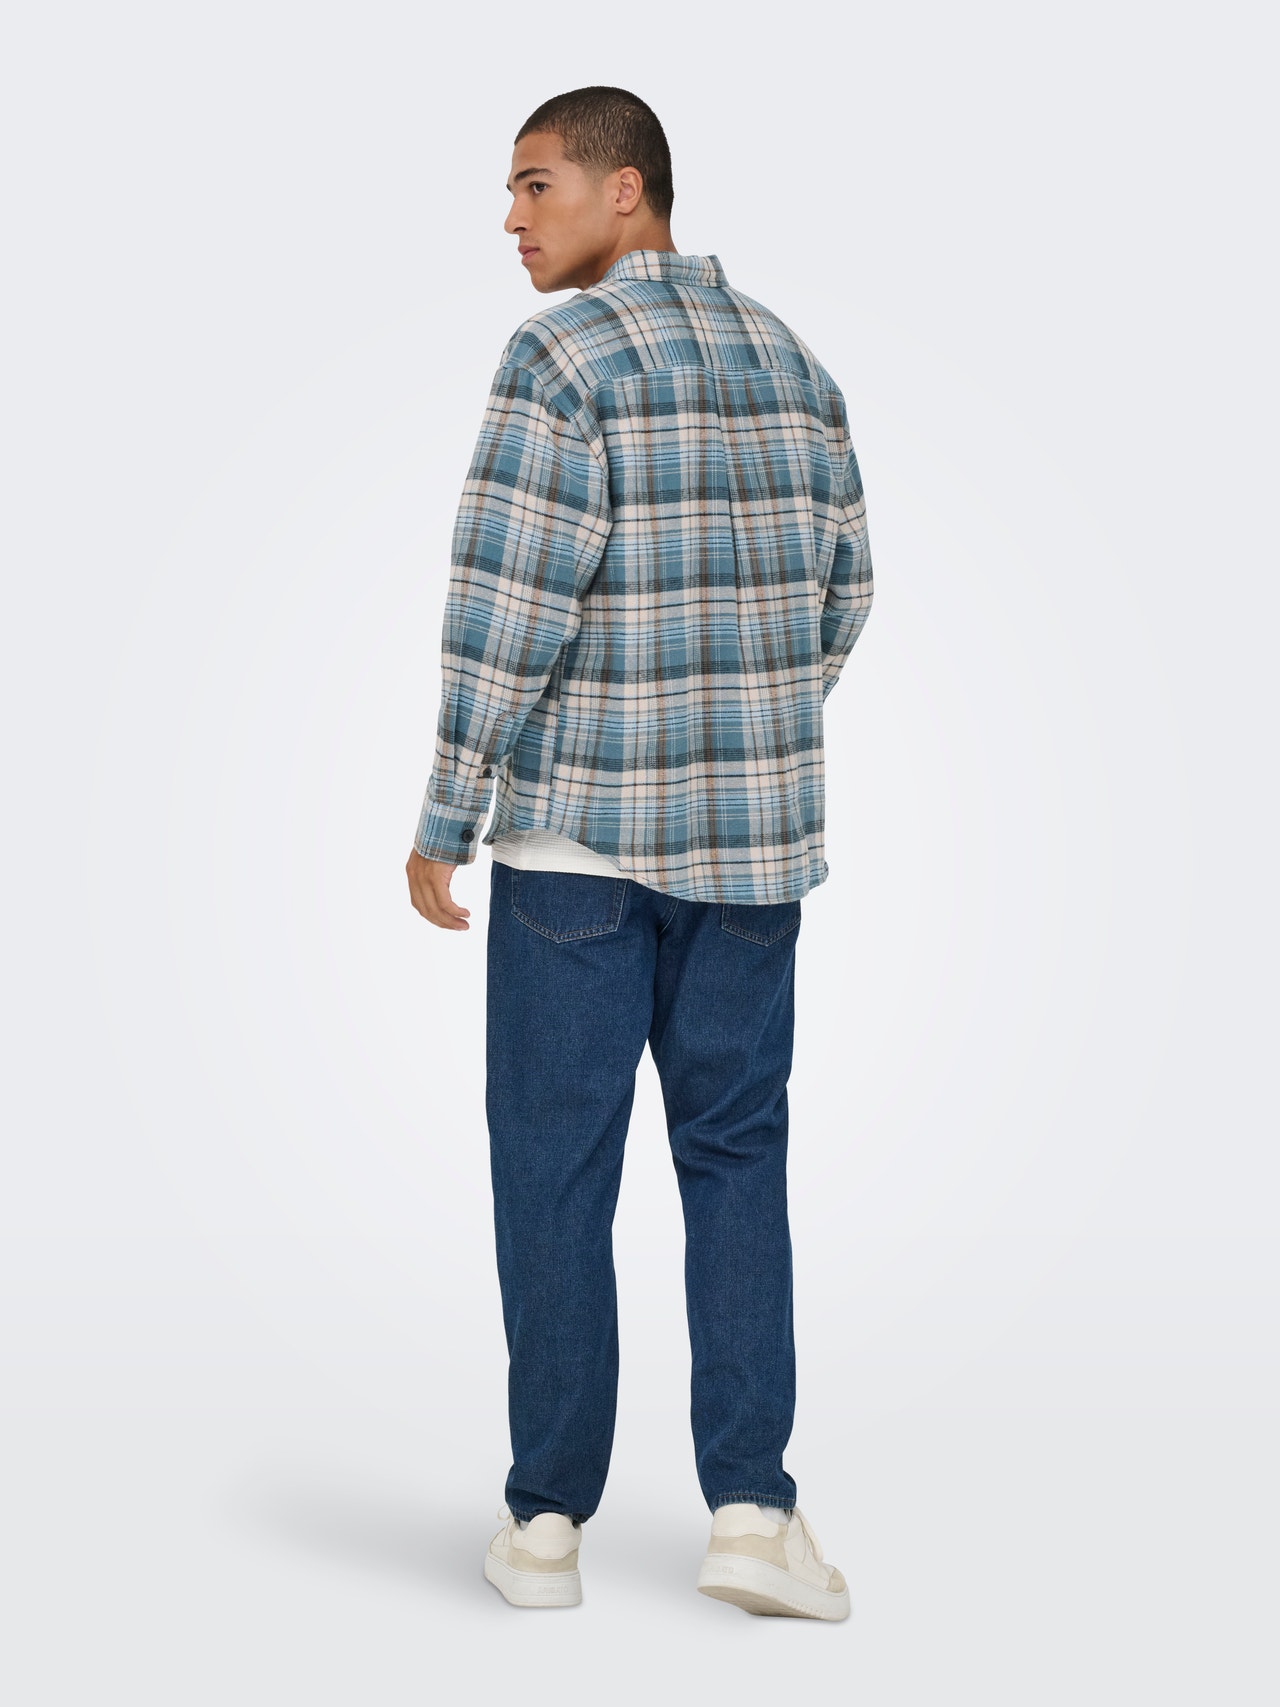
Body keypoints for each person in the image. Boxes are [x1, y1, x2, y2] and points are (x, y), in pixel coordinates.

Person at [405, 85, 873, 1620]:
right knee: (735, 1162)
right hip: (752, 859)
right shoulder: (794, 363)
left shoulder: (560, 359)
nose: (513, 217)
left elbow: (506, 607)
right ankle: (751, 1513)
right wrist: (748, 728)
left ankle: (547, 1530)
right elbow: (848, 592)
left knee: (556, 1173)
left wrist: (446, 813)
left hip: (576, 856)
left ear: (628, 191)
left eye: (537, 184)